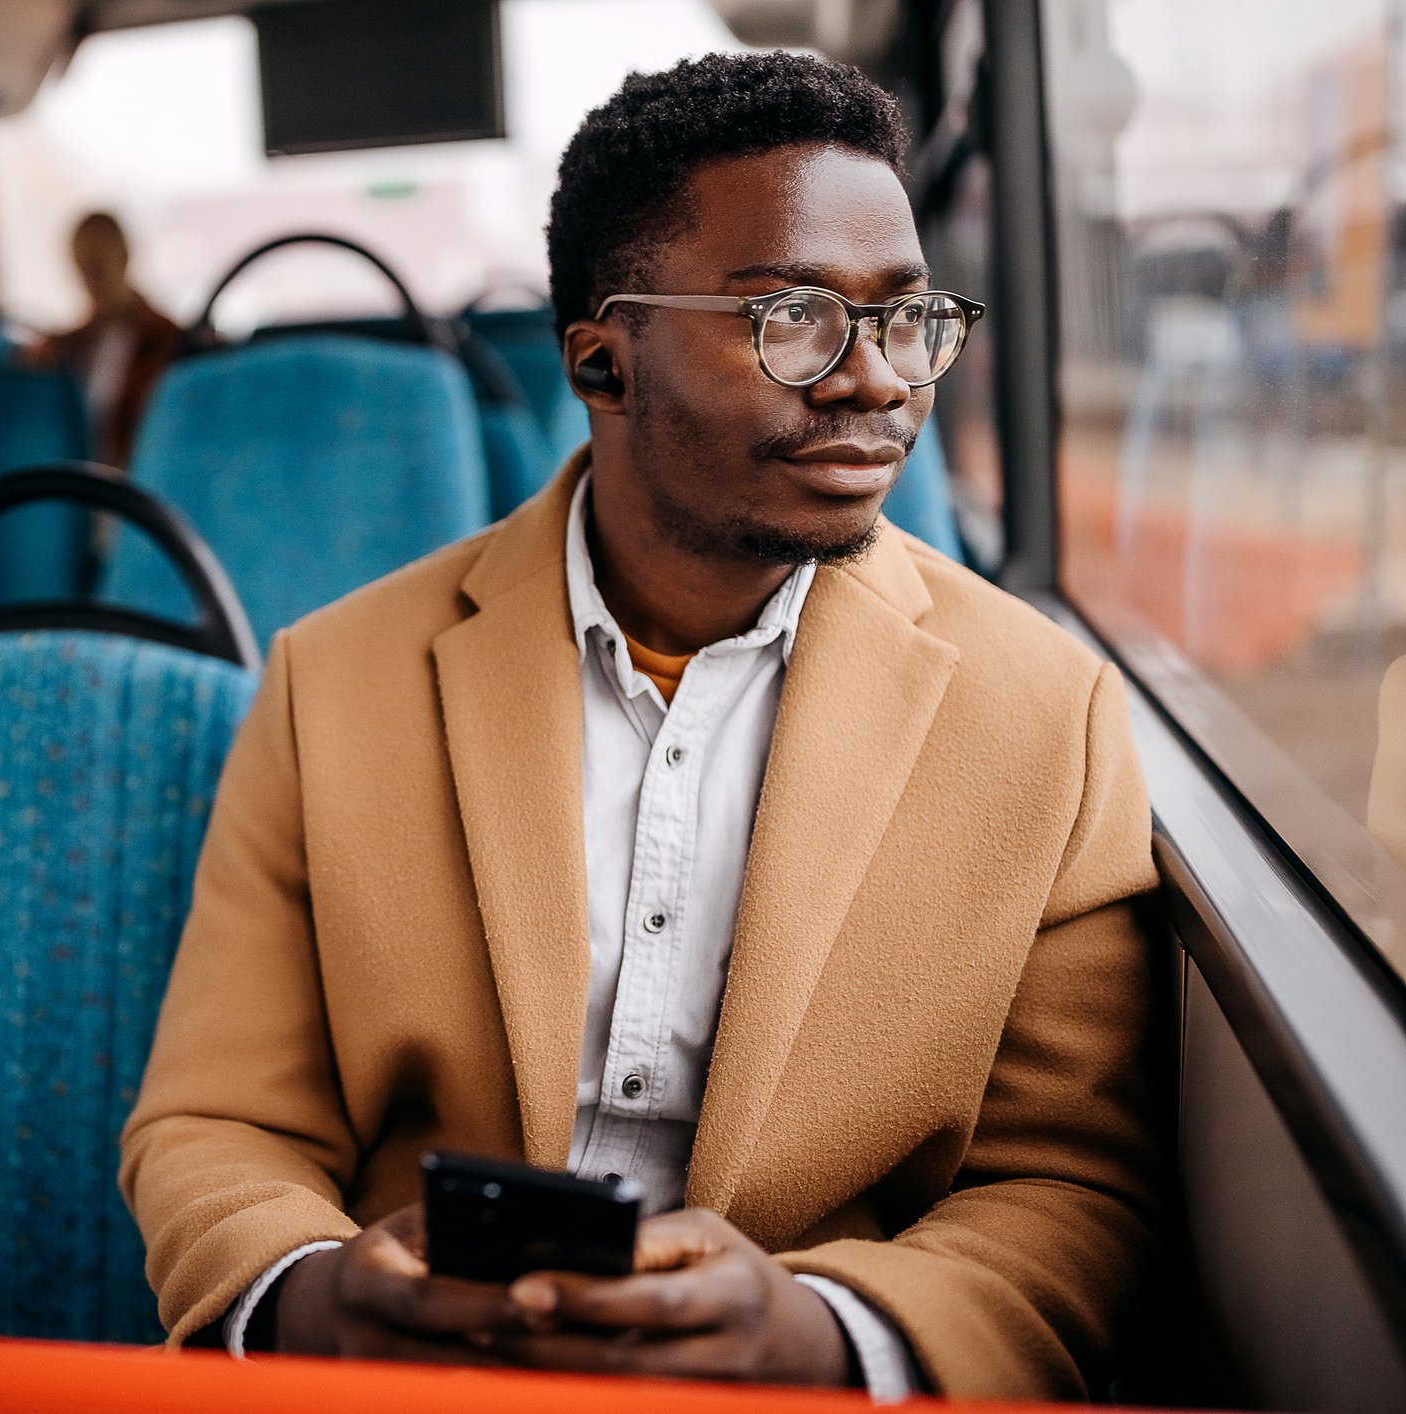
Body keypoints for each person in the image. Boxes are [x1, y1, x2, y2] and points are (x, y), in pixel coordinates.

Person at [120, 53, 1163, 1402]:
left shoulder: (1050, 713)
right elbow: (218, 1119)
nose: (875, 382)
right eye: (791, 317)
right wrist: (321, 1295)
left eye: (907, 321)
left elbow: (1069, 1181)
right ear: (604, 359)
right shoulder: (334, 683)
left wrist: (827, 1330)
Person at [26, 212, 181, 470]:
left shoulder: (169, 342)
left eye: (98, 266)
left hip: (143, 485)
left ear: (124, 256)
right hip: (83, 487)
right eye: (82, 269)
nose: (91, 282)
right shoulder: (67, 347)